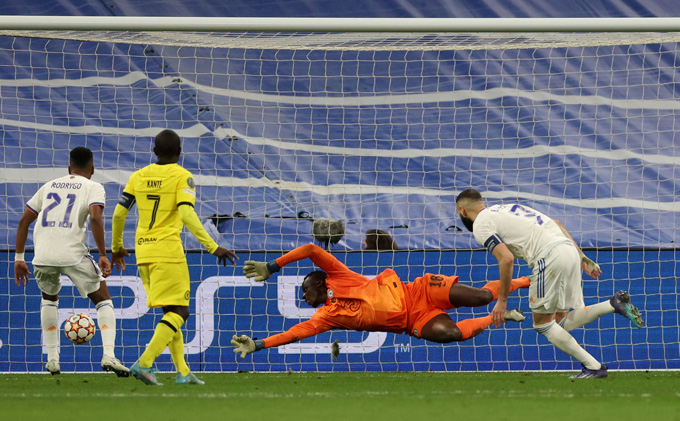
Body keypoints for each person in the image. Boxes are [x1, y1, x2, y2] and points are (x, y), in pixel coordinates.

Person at [455, 189, 644, 379]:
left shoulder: (481, 224)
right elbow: (558, 224)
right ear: (482, 202)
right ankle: (613, 304)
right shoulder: (506, 209)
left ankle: (593, 366)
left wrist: (502, 301)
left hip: (549, 256)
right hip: (569, 251)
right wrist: (582, 257)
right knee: (559, 322)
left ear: (462, 211)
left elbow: (506, 259)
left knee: (542, 325)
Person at [231, 243, 529, 358]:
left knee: (483, 296)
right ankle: (498, 317)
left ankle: (528, 279)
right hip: (412, 321)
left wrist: (272, 267)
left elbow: (310, 248)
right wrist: (258, 344)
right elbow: (294, 334)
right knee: (450, 334)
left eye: (305, 288)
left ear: (320, 282)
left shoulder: (338, 274)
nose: (304, 295)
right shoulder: (326, 316)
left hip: (418, 291)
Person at [111, 129, 237, 386]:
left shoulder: (138, 176)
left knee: (171, 310)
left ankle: (182, 371)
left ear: (154, 151)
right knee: (181, 311)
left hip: (143, 252)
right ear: (180, 152)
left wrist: (116, 247)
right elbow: (187, 214)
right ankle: (144, 363)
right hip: (168, 250)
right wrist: (213, 246)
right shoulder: (183, 176)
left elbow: (118, 214)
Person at [13, 147, 129, 377]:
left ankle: (53, 360)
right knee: (103, 298)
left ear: (69, 168)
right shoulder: (93, 186)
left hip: (43, 255)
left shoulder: (48, 186)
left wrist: (18, 258)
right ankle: (109, 355)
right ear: (92, 169)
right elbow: (95, 215)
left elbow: (23, 222)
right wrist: (103, 254)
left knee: (49, 298)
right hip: (72, 253)